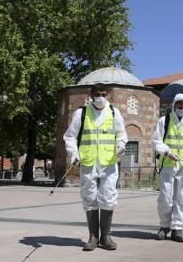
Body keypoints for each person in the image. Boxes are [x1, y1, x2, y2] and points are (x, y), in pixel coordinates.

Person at [64, 83, 127, 251]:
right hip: (89, 161)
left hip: (108, 161)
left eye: (104, 94)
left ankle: (106, 236)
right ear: (91, 96)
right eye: (98, 94)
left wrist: (121, 144)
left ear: (108, 96)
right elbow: (70, 136)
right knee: (89, 197)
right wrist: (73, 153)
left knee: (108, 197)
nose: (101, 97)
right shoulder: (82, 113)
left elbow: (122, 133)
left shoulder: (114, 112)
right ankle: (93, 237)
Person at [152, 93, 183, 242]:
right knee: (165, 198)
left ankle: (177, 228)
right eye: (179, 104)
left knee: (182, 198)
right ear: (174, 105)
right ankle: (164, 226)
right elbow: (156, 140)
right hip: (168, 164)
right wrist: (167, 152)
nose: (181, 107)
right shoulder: (165, 120)